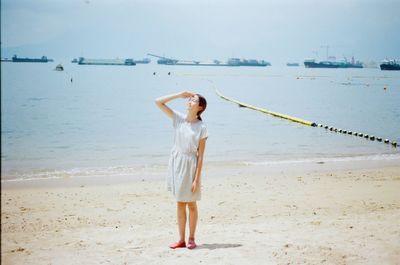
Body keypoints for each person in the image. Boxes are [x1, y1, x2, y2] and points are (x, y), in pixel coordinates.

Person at [155, 91, 208, 250]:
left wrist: (196, 179)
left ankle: (191, 238)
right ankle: (181, 240)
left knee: (191, 204)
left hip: (191, 164)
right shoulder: (178, 118)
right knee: (179, 203)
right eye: (190, 99)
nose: (190, 101)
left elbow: (200, 157)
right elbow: (158, 101)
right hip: (176, 162)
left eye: (194, 100)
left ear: (200, 107)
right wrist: (180, 94)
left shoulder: (202, 127)